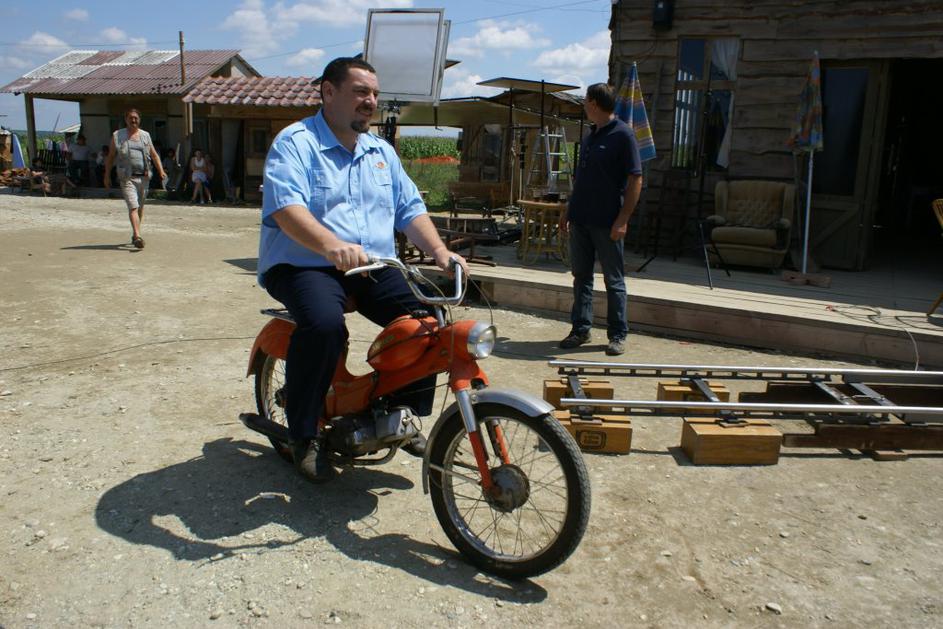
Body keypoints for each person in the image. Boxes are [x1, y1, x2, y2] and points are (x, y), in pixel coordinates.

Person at [257, 56, 467, 483]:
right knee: (324, 325)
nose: (370, 101)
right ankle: (303, 435)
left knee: (428, 320)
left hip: (370, 266)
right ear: (328, 92)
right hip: (305, 263)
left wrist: (440, 252)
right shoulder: (296, 142)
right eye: (359, 92)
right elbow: (286, 209)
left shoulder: (380, 152)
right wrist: (331, 245)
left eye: (373, 93)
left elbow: (409, 209)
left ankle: (398, 413)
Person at [557, 83, 642, 356]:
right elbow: (582, 178)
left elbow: (636, 178)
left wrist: (623, 219)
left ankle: (617, 335)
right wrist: (569, 209)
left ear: (593, 103)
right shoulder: (590, 135)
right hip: (581, 218)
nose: (584, 105)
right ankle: (581, 329)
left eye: (585, 101)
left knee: (613, 280)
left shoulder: (623, 135)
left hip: (607, 221)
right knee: (581, 277)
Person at [104, 109, 167, 249]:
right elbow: (111, 156)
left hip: (144, 178)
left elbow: (154, 155)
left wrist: (161, 171)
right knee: (133, 206)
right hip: (127, 178)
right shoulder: (117, 136)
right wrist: (106, 175)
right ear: (126, 119)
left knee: (140, 208)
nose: (133, 120)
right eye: (131, 118)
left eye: (136, 118)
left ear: (139, 119)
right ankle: (138, 237)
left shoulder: (145, 135)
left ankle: (135, 233)